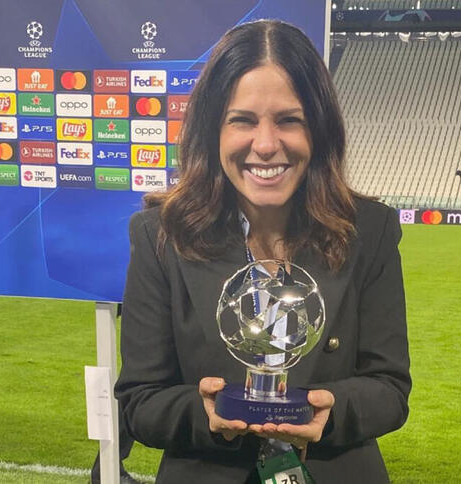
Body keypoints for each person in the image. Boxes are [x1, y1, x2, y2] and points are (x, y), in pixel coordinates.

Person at [114, 20, 410, 483]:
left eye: (289, 120)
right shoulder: (161, 234)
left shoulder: (368, 231)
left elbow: (390, 389)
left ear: (319, 130)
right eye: (243, 121)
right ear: (213, 130)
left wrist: (326, 413)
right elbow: (140, 399)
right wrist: (205, 414)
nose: (267, 145)